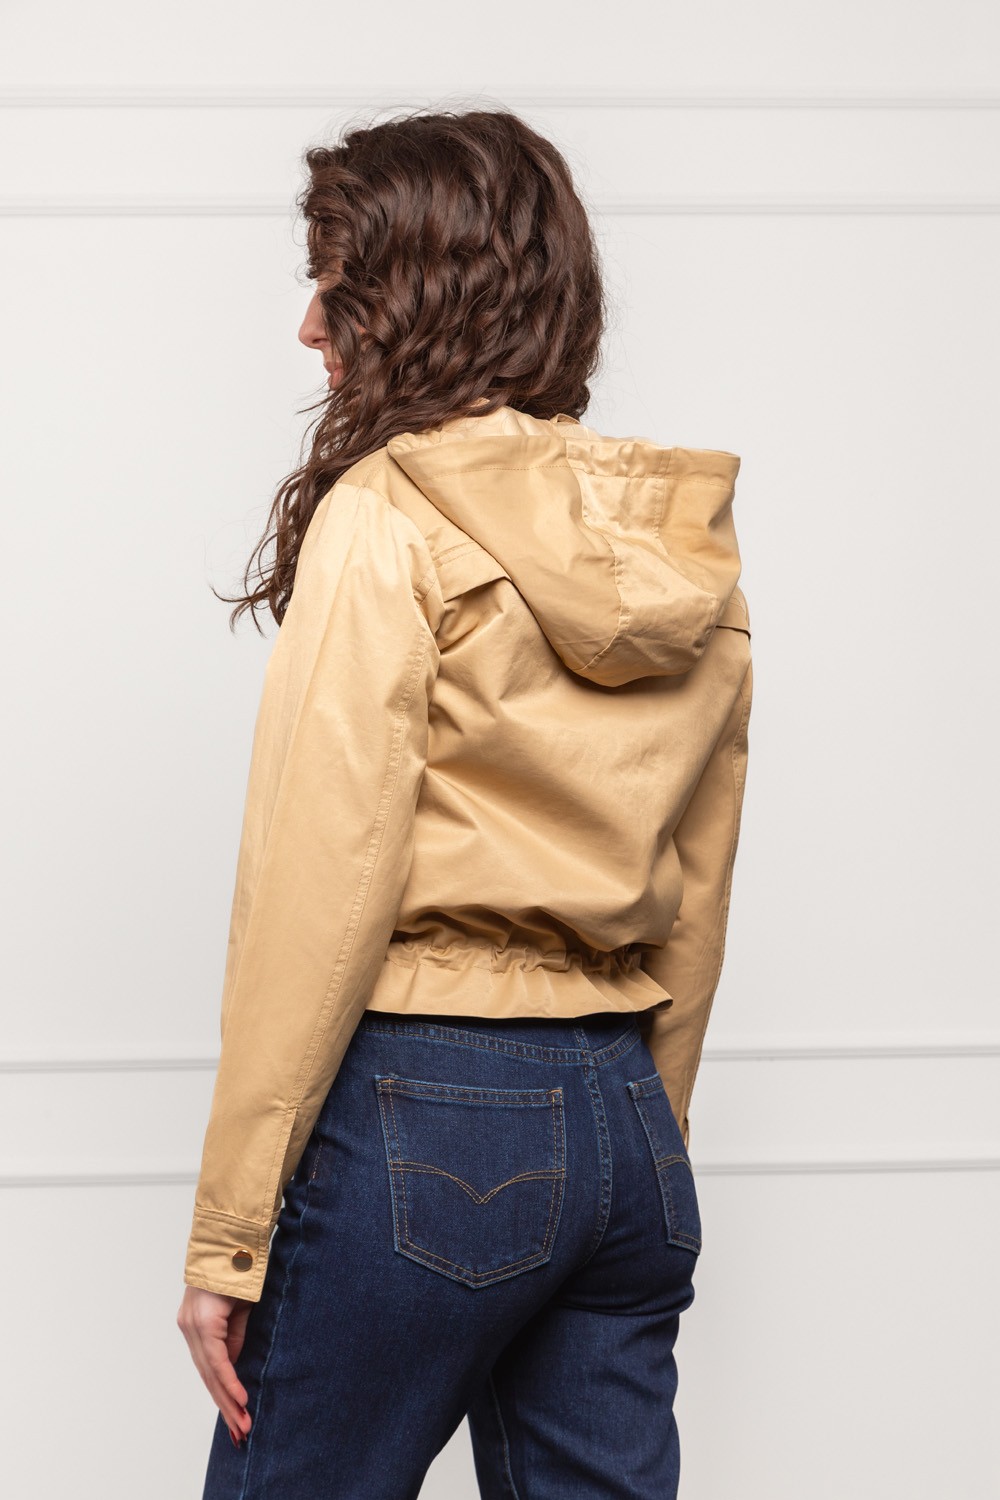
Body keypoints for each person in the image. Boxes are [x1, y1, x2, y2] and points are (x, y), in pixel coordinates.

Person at [176, 106, 753, 1500]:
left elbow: (318, 887)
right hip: (626, 1119)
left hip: (428, 1114)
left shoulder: (390, 515)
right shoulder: (680, 542)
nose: (311, 326)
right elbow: (700, 880)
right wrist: (644, 1142)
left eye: (337, 284)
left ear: (418, 296)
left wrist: (229, 1234)